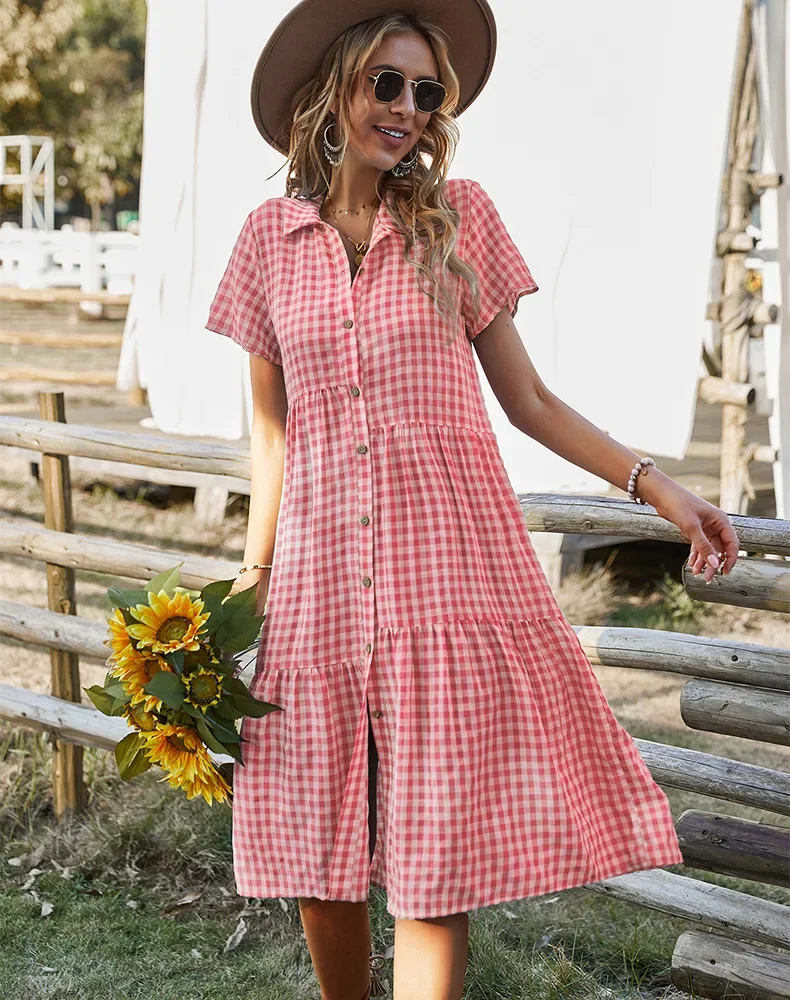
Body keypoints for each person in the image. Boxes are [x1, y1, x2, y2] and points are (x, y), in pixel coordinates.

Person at [205, 2, 741, 998]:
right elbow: (272, 432)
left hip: (443, 574)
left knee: (430, 867)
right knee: (318, 857)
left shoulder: (461, 221)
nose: (407, 108)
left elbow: (529, 400)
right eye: (386, 84)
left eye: (426, 92)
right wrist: (251, 578)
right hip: (317, 581)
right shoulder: (266, 241)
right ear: (334, 89)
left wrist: (656, 485)